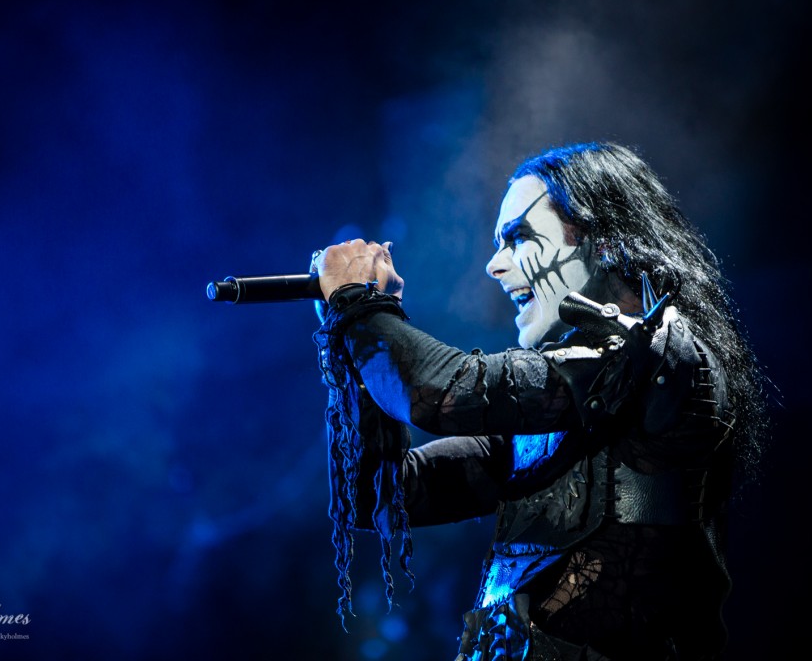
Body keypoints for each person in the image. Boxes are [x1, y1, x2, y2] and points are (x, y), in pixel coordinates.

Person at [309, 141, 769, 660]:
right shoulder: (557, 410)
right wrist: (356, 340)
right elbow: (380, 494)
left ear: (603, 242)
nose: (493, 266)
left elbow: (440, 391)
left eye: (518, 237)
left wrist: (361, 307)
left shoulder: (657, 354)